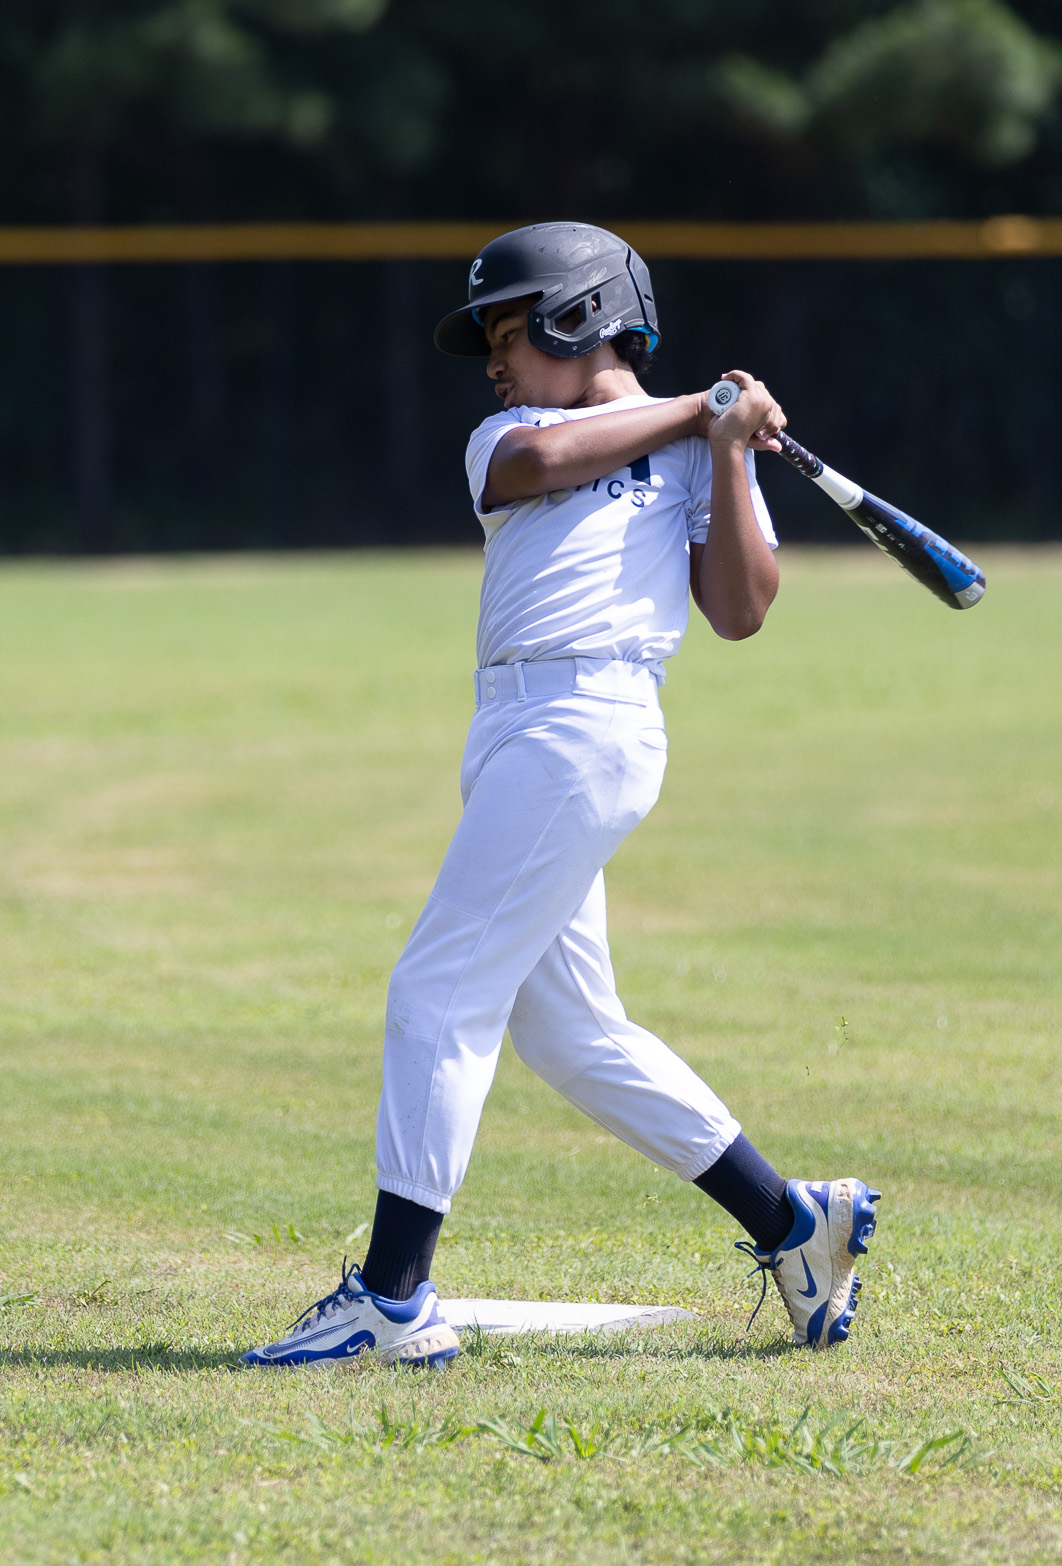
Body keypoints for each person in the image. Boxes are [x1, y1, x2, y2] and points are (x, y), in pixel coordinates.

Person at [242, 223, 878, 1369]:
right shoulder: (513, 432)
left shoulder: (695, 449)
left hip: (589, 725)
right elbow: (533, 470)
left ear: (581, 314)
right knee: (570, 1031)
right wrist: (701, 410)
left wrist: (729, 452)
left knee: (436, 991)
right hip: (516, 732)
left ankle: (389, 1298)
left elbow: (738, 608)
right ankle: (792, 1223)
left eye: (508, 327)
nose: (493, 355)